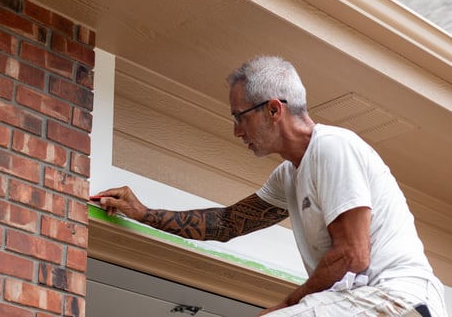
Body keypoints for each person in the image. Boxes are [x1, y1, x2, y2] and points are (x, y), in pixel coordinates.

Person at [96, 56, 448, 317]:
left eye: (239, 117)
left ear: (274, 110)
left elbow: (352, 256)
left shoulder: (333, 147)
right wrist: (142, 213)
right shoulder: (289, 176)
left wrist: (288, 303)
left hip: (398, 299)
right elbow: (228, 223)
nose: (236, 131)